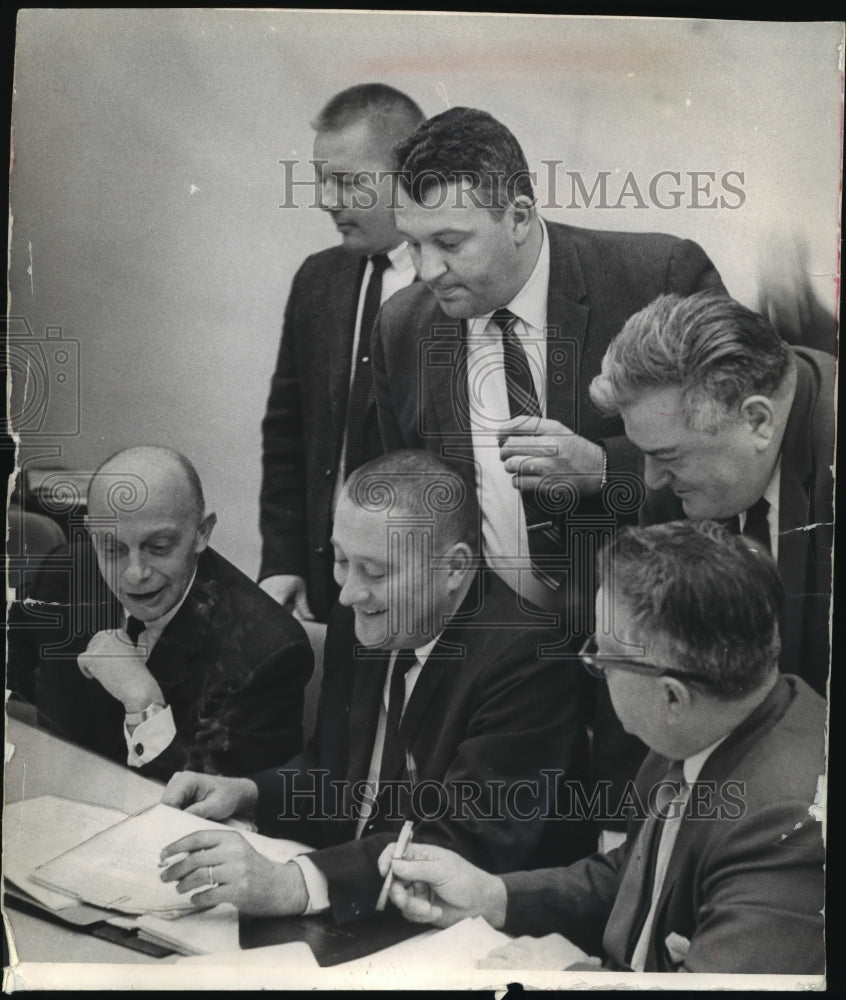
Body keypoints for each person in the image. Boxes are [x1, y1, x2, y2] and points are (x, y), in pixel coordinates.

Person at [371, 105, 726, 828]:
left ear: (522, 215)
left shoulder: (659, 278)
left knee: (638, 897)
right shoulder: (404, 326)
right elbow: (409, 500)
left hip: (650, 664)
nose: (427, 270)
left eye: (449, 242)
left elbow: (728, 468)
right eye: (414, 245)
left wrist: (606, 468)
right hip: (502, 692)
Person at [159, 450, 589, 923]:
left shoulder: (527, 661)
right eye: (341, 560)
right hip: (356, 910)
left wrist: (293, 883)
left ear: (455, 569)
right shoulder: (362, 617)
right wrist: (248, 793)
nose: (347, 593)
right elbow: (334, 771)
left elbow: (458, 845)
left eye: (376, 572)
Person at [378, 521, 826, 975]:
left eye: (603, 655)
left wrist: (571, 979)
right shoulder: (703, 722)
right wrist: (493, 897)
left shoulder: (790, 826)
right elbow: (638, 874)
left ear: (673, 696)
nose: (590, 662)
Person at [15, 446, 313, 779]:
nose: (134, 573)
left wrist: (143, 703)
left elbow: (212, 810)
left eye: (158, 547)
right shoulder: (67, 574)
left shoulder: (267, 650)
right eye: (112, 548)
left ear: (202, 532)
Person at [589, 291, 834, 696]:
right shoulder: (672, 440)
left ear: (757, 420)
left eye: (667, 456)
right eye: (645, 454)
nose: (651, 481)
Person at [259, 83, 424, 623]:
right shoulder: (317, 280)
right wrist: (283, 561)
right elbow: (287, 433)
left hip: (419, 597)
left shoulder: (458, 287)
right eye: (322, 179)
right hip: (327, 593)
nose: (328, 199)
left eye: (349, 182)